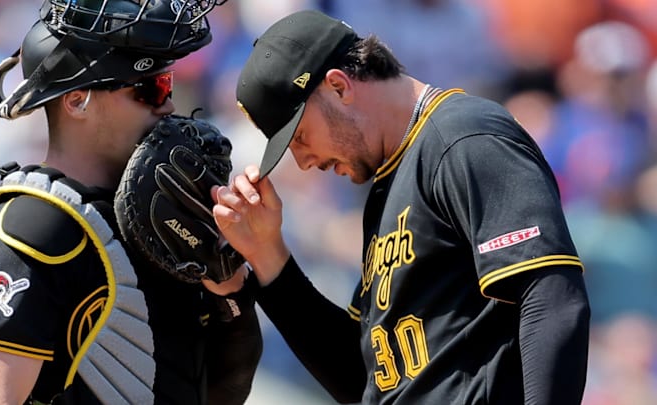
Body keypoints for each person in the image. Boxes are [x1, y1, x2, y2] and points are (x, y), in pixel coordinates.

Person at [214, 9, 591, 405]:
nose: (305, 162)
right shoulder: (388, 184)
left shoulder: (462, 137)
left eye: (300, 137)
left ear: (340, 88)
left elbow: (551, 297)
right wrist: (268, 255)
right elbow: (363, 379)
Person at [0, 1, 261, 404]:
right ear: (77, 100)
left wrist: (230, 291)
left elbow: (218, 393)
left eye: (167, 84)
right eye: (150, 88)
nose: (167, 105)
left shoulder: (154, 220)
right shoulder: (31, 233)